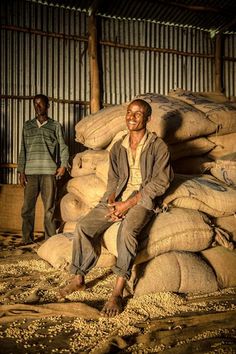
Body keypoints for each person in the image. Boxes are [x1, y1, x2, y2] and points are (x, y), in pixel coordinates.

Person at [59, 99, 173, 317]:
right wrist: (111, 199)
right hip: (118, 196)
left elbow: (161, 182)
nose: (132, 117)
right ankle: (79, 278)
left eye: (138, 114)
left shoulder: (158, 147)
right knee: (83, 226)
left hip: (142, 200)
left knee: (127, 232)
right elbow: (114, 178)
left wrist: (128, 204)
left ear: (148, 119)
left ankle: (118, 291)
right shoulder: (119, 145)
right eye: (129, 112)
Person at [17, 94, 69, 245]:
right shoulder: (27, 126)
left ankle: (50, 240)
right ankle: (27, 239)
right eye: (35, 104)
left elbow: (63, 147)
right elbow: (23, 150)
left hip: (49, 172)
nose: (38, 107)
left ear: (48, 106)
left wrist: (64, 165)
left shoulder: (55, 126)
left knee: (49, 209)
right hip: (31, 173)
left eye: (41, 104)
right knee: (27, 208)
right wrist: (21, 171)